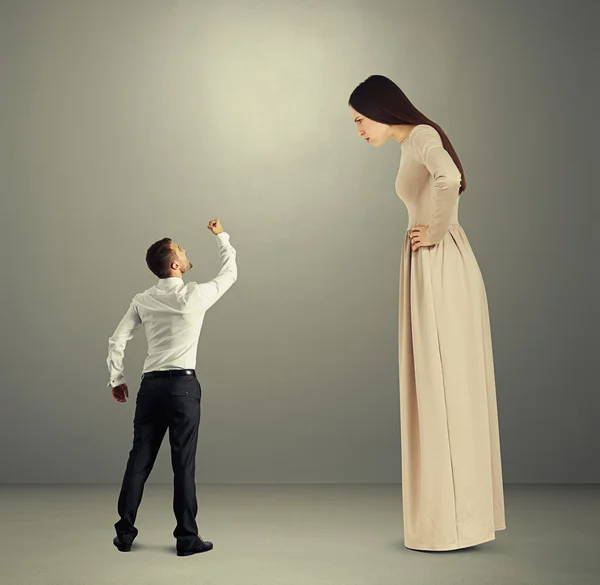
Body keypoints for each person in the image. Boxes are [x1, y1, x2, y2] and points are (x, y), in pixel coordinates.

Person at [348, 75, 505, 551]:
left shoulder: (420, 135)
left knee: (444, 384)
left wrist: (435, 230)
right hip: (429, 264)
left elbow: (450, 177)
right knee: (436, 385)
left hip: (440, 265)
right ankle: (449, 519)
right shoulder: (408, 143)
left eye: (359, 120)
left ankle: (454, 522)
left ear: (380, 108)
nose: (357, 130)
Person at [106, 218, 237, 556]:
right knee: (184, 464)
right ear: (176, 264)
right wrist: (221, 236)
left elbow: (117, 339)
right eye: (181, 249)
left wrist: (117, 378)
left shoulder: (143, 299)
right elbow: (230, 273)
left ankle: (124, 533)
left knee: (139, 459)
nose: (185, 250)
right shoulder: (195, 295)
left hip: (150, 388)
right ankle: (186, 538)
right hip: (183, 388)